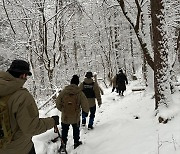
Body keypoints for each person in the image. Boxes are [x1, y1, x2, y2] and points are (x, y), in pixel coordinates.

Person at [0, 59, 59, 154]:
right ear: (23, 75)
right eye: (26, 76)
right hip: (19, 149)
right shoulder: (22, 97)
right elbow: (32, 128)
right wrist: (52, 121)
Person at [56, 75, 89, 149]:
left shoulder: (64, 91)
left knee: (64, 131)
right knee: (76, 130)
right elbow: (85, 104)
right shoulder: (79, 92)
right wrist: (86, 112)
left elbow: (57, 103)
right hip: (75, 116)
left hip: (65, 116)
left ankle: (63, 145)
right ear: (77, 83)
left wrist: (63, 110)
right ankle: (76, 142)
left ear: (70, 82)